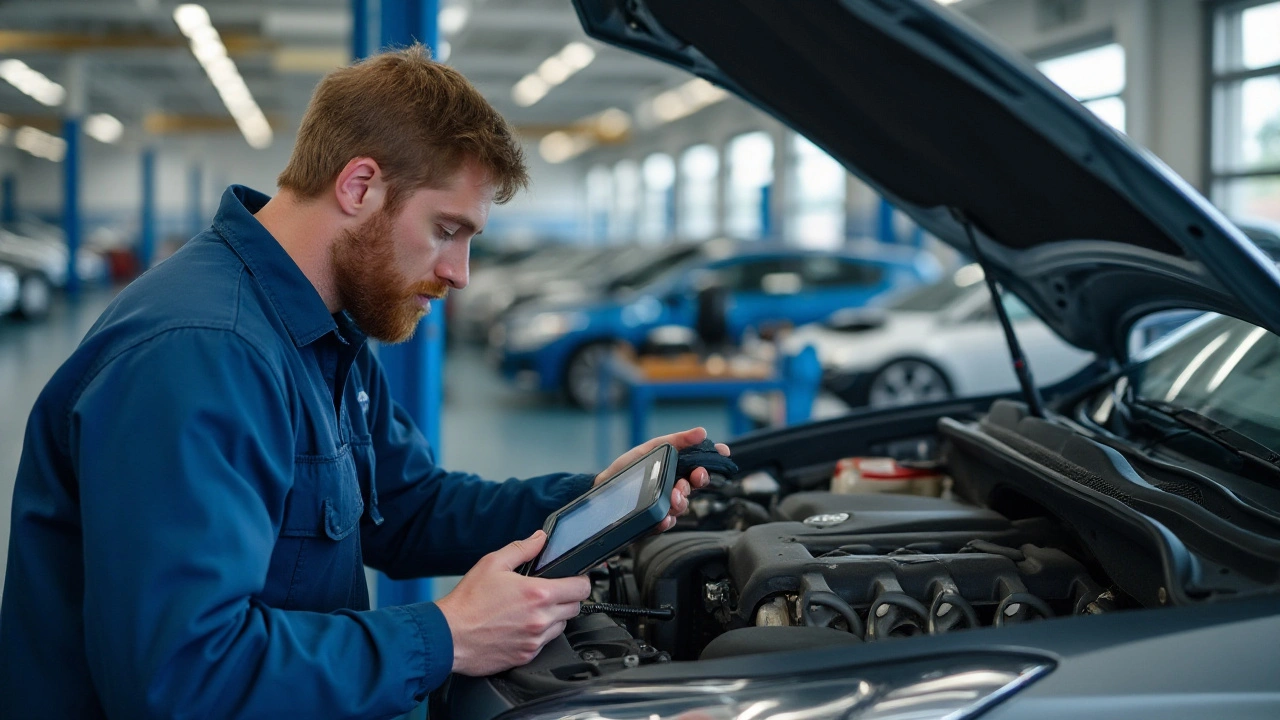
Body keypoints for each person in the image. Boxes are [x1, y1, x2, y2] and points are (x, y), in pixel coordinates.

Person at [0, 45, 729, 719]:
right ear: (359, 186)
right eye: (447, 230)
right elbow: (181, 676)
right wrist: (445, 635)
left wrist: (591, 499)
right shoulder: (202, 355)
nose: (459, 273)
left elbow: (406, 508)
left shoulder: (320, 327)